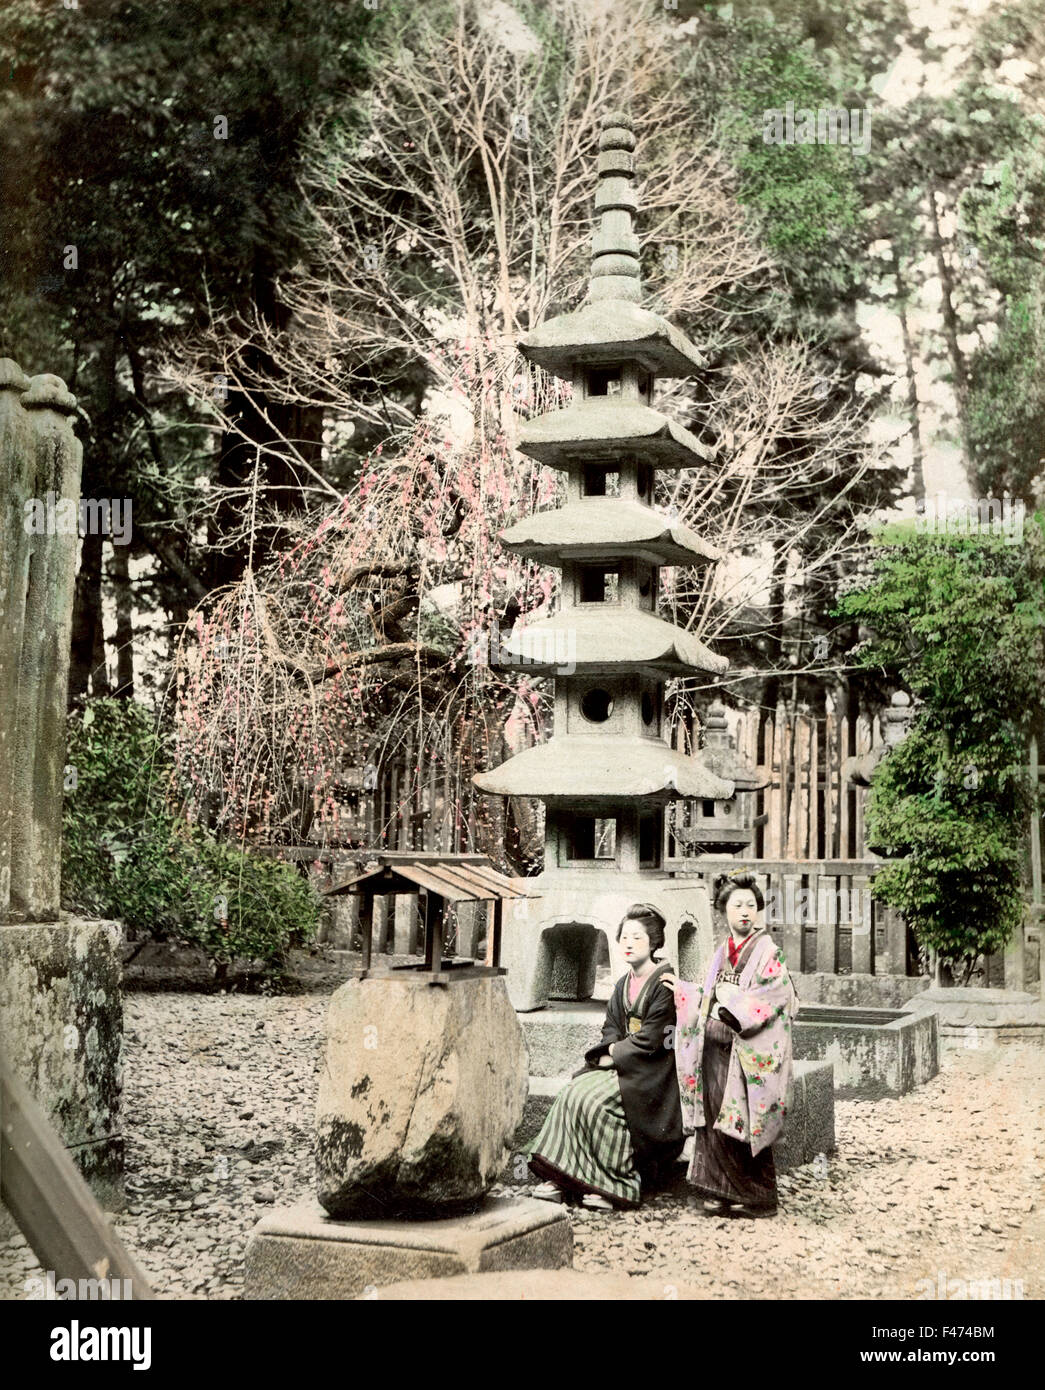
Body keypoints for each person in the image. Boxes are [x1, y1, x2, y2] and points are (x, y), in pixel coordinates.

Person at [527, 904, 683, 1211]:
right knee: (572, 1092)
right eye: (624, 937)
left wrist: (614, 1053)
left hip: (652, 1073)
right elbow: (611, 1026)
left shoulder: (664, 984)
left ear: (653, 942)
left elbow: (655, 1038)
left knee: (597, 1102)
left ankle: (617, 1185)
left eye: (637, 938)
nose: (628, 943)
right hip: (624, 1064)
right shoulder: (622, 984)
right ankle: (564, 1178)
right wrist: (611, 1049)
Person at [662, 871, 797, 1218]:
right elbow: (705, 997)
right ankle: (720, 1189)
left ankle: (758, 1196)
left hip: (745, 1050)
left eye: (751, 905)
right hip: (713, 1048)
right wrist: (682, 990)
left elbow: (778, 997)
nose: (745, 912)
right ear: (724, 911)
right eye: (737, 905)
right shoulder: (720, 952)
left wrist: (732, 1006)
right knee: (714, 1116)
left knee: (744, 1117)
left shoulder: (769, 953)